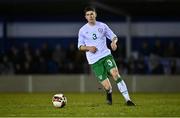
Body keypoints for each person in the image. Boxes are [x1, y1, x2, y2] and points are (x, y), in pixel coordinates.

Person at [78, 6, 135, 106]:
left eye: (92, 14)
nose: (90, 16)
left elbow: (114, 37)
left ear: (95, 14)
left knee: (115, 74)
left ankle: (128, 100)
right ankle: (109, 93)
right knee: (107, 86)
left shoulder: (103, 26)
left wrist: (114, 42)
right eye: (88, 15)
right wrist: (89, 48)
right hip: (94, 60)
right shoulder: (82, 30)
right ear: (85, 17)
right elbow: (80, 46)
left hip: (106, 55)